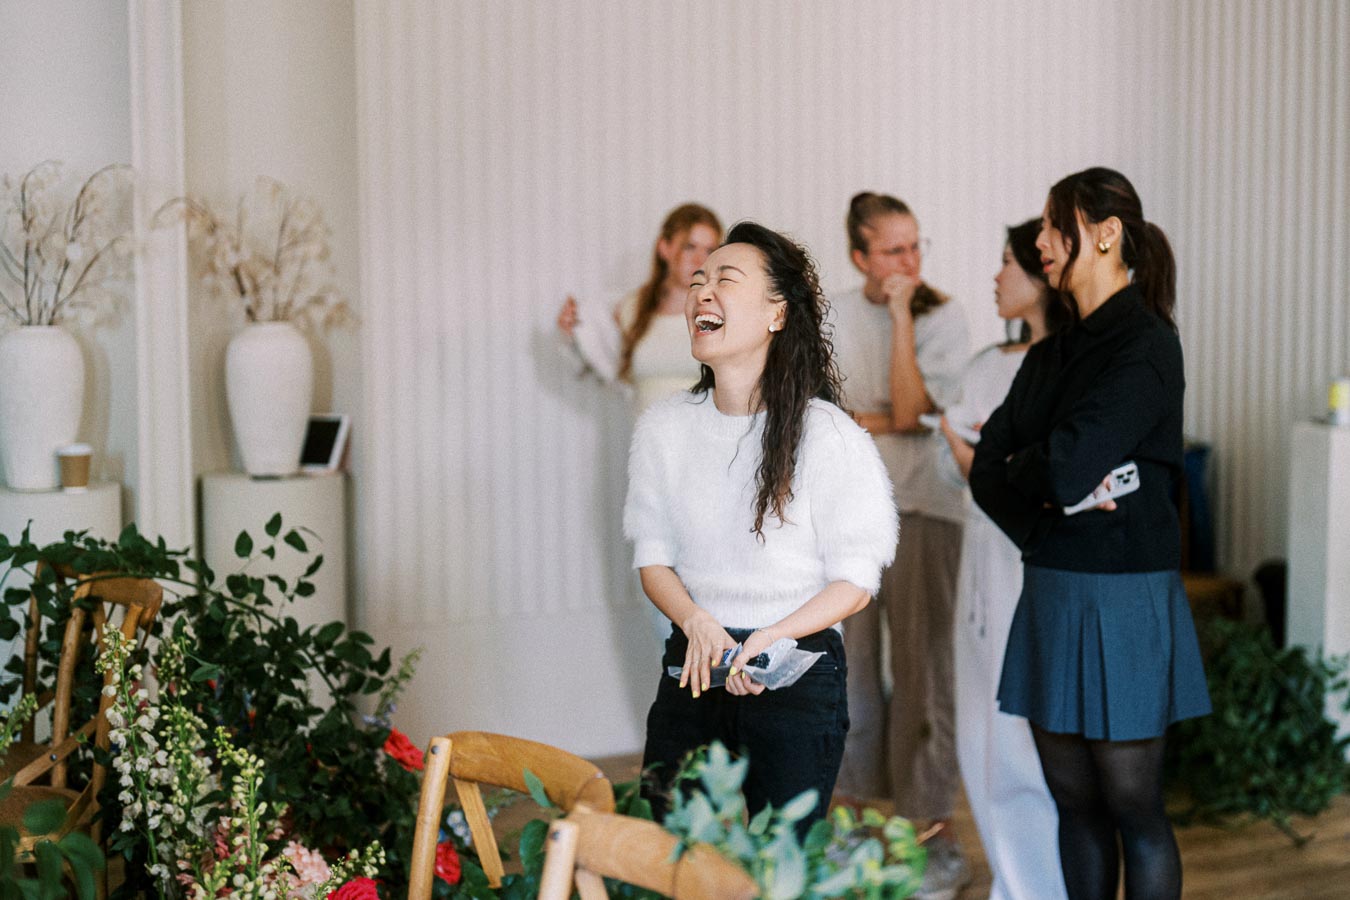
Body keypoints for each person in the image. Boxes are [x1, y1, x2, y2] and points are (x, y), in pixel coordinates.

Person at [970, 168, 1210, 900]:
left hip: (1124, 598)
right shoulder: (1048, 354)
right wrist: (1050, 509)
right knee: (1072, 801)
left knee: (1134, 806)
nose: (1041, 241)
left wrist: (1044, 474)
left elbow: (1067, 466)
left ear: (1105, 234)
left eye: (1054, 225)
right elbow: (987, 472)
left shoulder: (1147, 345)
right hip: (1051, 585)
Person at [624, 222, 898, 832]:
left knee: (780, 862)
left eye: (725, 279)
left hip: (796, 665)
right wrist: (696, 621)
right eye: (698, 281)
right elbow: (652, 559)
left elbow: (855, 581)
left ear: (777, 313)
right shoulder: (664, 427)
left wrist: (773, 636)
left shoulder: (831, 436)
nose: (703, 292)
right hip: (695, 660)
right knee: (668, 852)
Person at [829, 192, 970, 895]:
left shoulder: (944, 316)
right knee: (848, 676)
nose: (910, 261)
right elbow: (823, 417)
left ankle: (931, 834)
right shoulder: (830, 315)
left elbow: (914, 410)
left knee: (924, 674)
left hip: (924, 509)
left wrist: (901, 318)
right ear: (860, 256)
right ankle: (853, 825)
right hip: (848, 520)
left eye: (916, 245)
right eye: (893, 250)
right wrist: (883, 419)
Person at [936, 219, 1069, 900]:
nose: (996, 277)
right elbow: (954, 469)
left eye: (1008, 263)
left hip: (1029, 557)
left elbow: (1048, 474)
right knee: (979, 724)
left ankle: (1040, 884)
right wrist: (960, 447)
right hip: (979, 551)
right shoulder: (988, 362)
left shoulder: (1071, 364)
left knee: (1021, 734)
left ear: (1042, 275)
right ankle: (1009, 877)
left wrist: (986, 458)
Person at [557, 203, 722, 414]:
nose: (700, 260)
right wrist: (572, 330)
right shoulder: (631, 308)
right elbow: (599, 366)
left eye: (709, 250)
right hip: (645, 432)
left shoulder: (719, 312)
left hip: (708, 432)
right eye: (689, 247)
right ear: (665, 248)